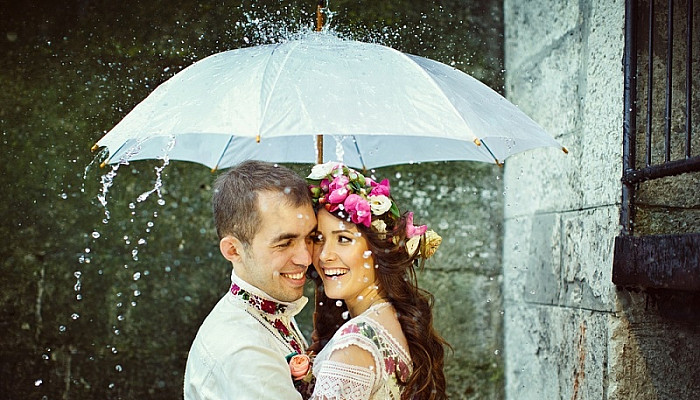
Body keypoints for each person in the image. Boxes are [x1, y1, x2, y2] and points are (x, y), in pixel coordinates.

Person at [304, 162, 448, 400]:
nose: (325, 255)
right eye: (318, 238)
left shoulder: (353, 344)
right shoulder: (391, 319)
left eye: (343, 239)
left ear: (378, 248)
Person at [184, 160, 317, 399]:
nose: (306, 258)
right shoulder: (245, 351)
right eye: (285, 243)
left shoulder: (269, 307)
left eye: (310, 237)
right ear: (233, 250)